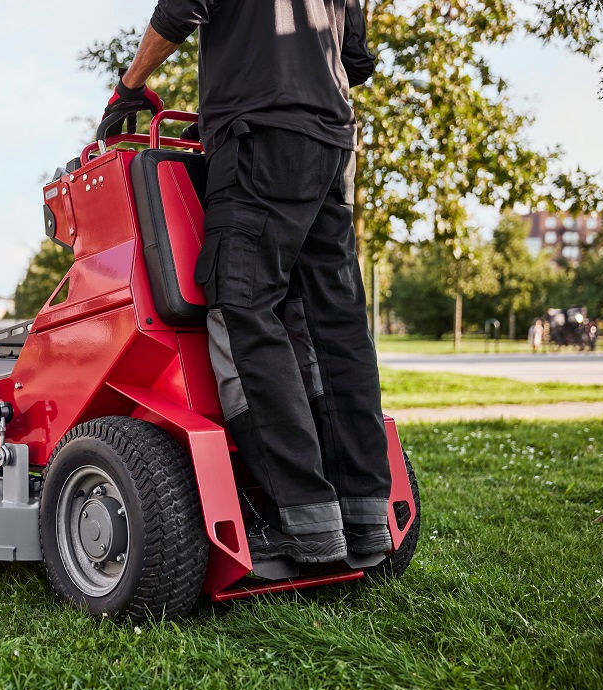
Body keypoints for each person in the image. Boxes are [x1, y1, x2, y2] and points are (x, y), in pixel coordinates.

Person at [101, 1, 389, 564]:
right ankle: (363, 512)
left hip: (259, 133)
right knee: (334, 320)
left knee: (241, 306)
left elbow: (183, 6)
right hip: (332, 140)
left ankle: (303, 517)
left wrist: (130, 87)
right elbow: (353, 58)